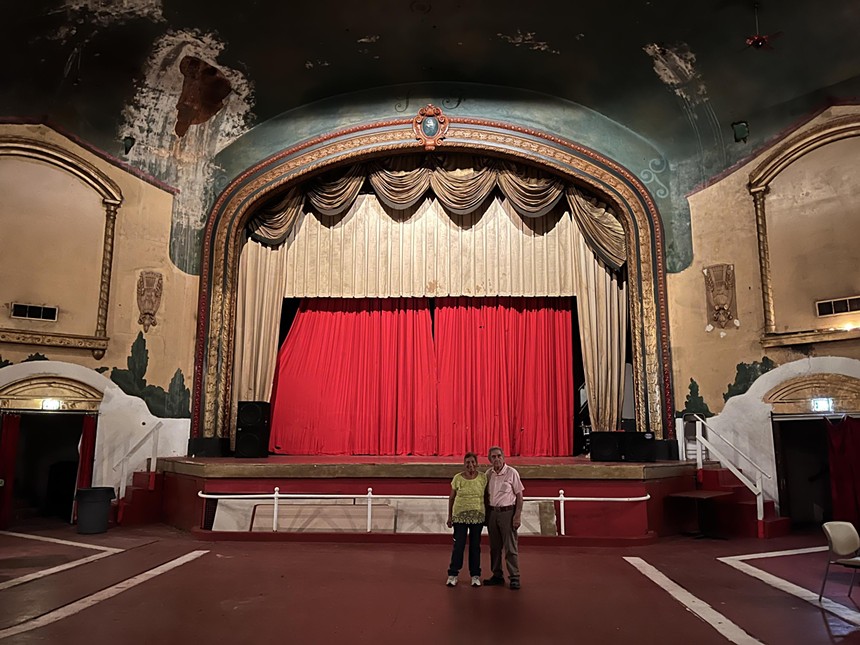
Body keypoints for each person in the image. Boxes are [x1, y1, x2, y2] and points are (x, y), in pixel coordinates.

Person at [483, 446, 524, 590]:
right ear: (489, 459)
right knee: (494, 547)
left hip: (508, 513)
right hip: (493, 513)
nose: (497, 459)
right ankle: (497, 575)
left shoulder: (512, 473)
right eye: (493, 457)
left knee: (510, 547)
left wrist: (517, 516)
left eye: (499, 456)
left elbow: (519, 496)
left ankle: (514, 576)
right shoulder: (488, 474)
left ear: (504, 457)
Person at [445, 452, 488, 587]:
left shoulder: (483, 478)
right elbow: (452, 498)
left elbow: (487, 497)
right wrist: (450, 516)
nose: (470, 465)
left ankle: (475, 575)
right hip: (460, 517)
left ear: (477, 463)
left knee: (475, 547)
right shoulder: (457, 478)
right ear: (464, 464)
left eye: (472, 462)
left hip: (477, 517)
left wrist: (487, 515)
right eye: (467, 463)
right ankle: (453, 574)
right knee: (458, 546)